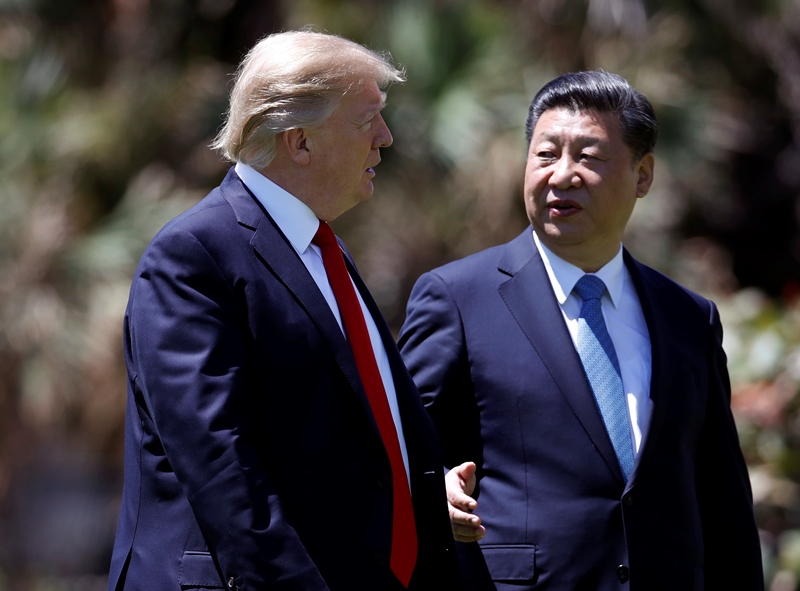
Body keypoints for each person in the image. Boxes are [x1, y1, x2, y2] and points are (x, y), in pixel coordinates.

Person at [107, 30, 458, 591]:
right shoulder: (192, 257)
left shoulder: (325, 251)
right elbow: (223, 469)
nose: (386, 139)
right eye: (367, 120)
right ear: (299, 140)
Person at [398, 71, 763, 590]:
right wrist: (431, 495)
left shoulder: (689, 317)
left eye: (588, 157)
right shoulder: (457, 298)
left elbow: (722, 500)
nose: (562, 175)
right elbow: (393, 454)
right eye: (546, 154)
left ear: (643, 175)